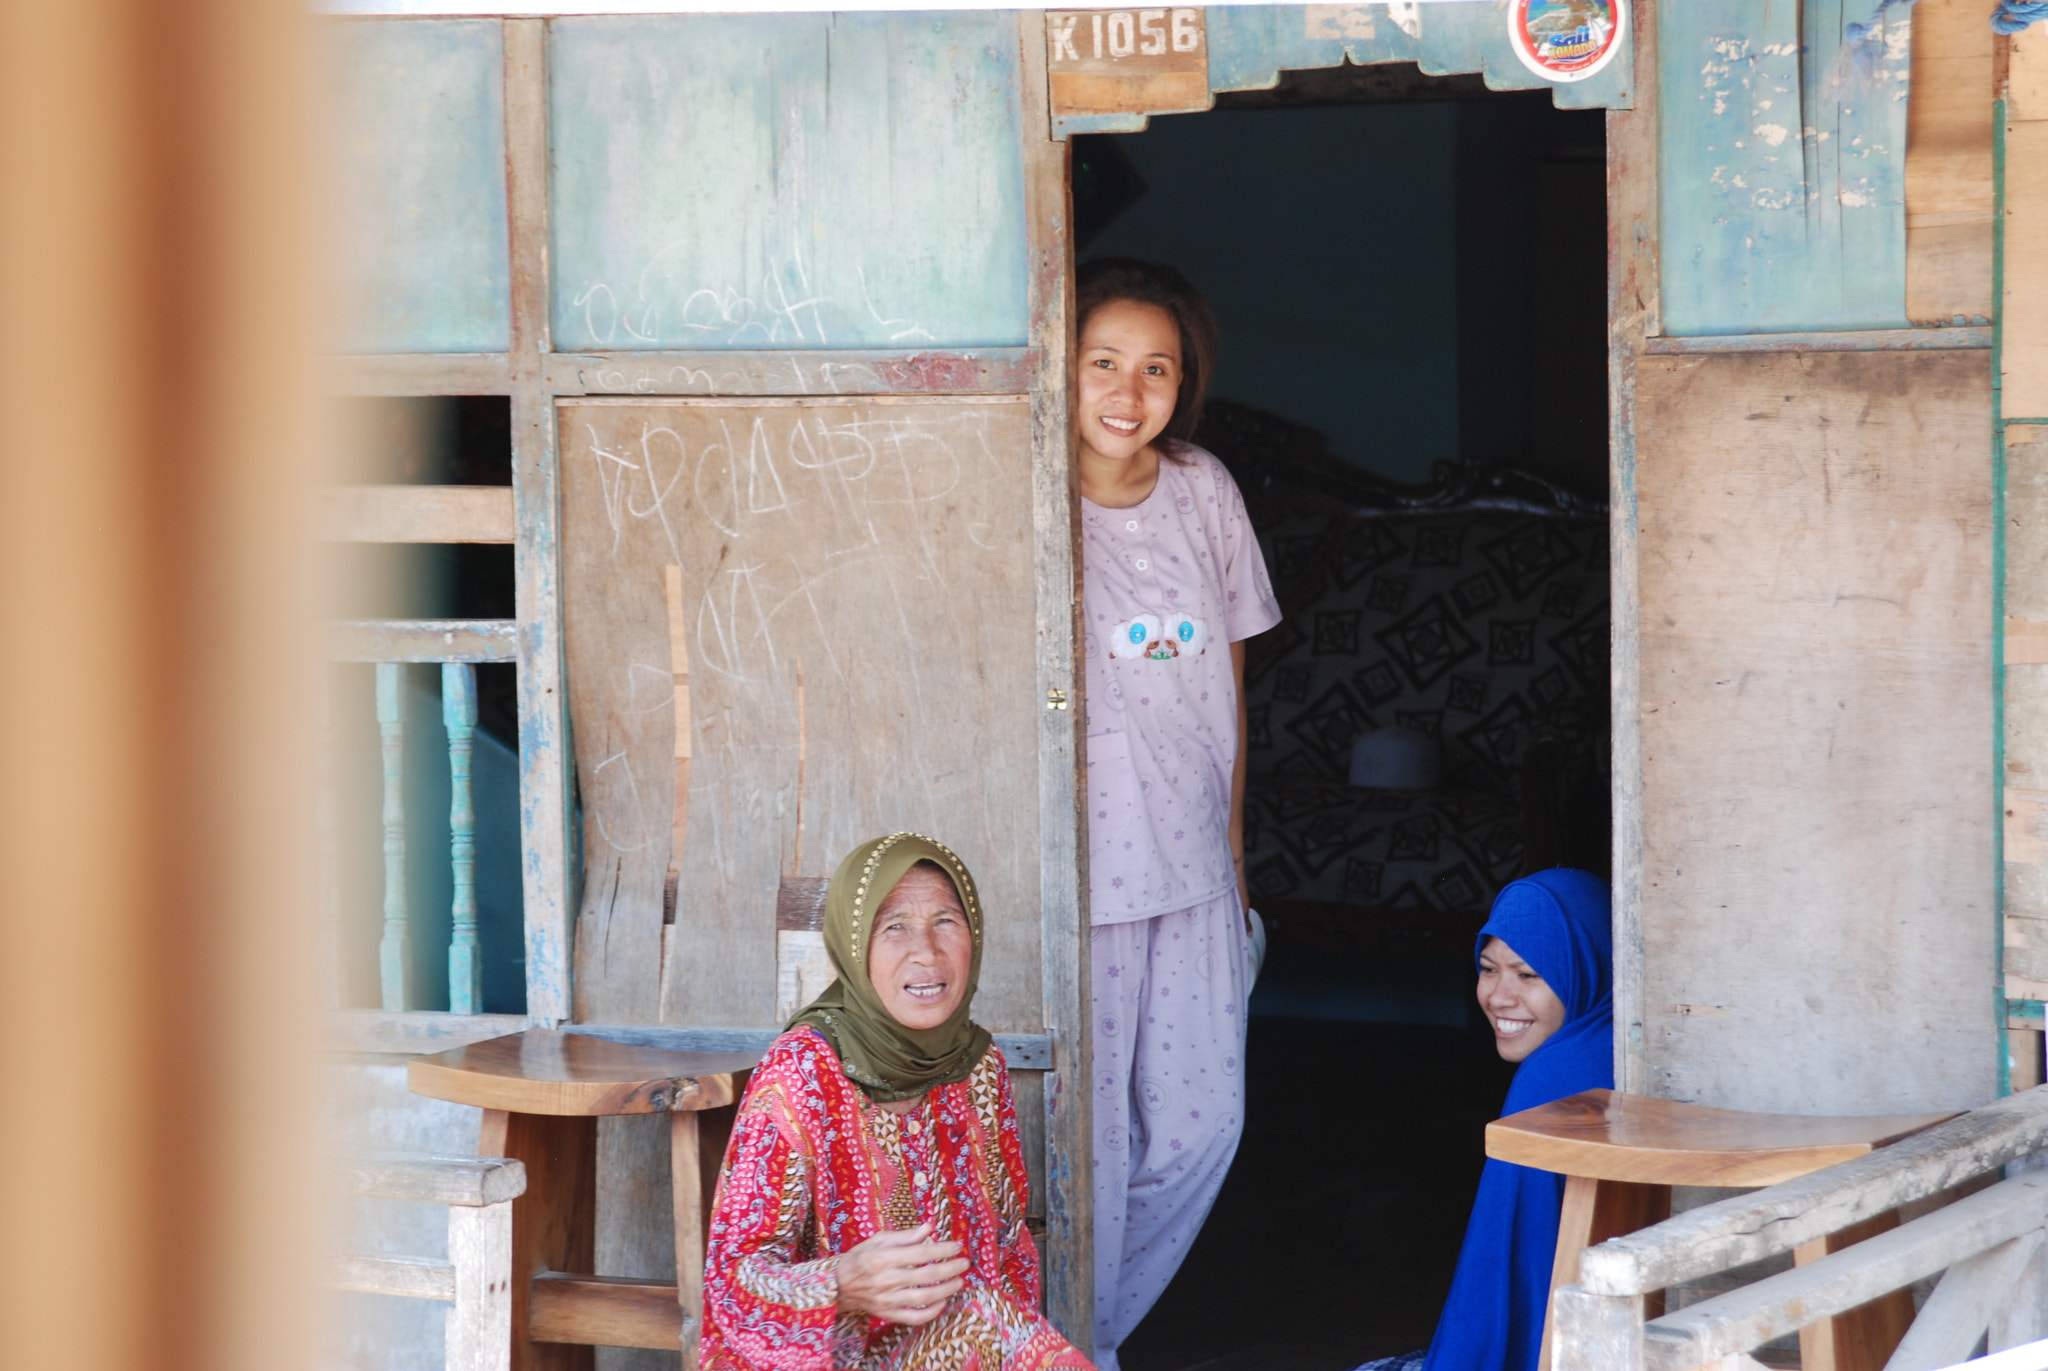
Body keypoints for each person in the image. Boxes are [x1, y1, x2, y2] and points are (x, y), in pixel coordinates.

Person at [1074, 257, 1282, 1370]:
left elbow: (1229, 691)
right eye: (1102, 361)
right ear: (1059, 370)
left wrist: (1237, 852)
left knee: (1201, 1130)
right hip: (1084, 880)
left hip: (1197, 867)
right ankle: (1082, 1348)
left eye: (1155, 368)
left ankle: (1090, 1333)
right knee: (1091, 1145)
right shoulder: (1028, 495)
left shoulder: (1203, 489)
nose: (1127, 389)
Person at [699, 832, 1096, 1371]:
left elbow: (1008, 1244)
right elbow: (733, 1280)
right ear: (854, 944)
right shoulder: (801, 1074)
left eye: (946, 922)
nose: (926, 952)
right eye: (894, 927)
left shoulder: (979, 1066)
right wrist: (839, 1283)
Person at [1356, 869, 1614, 1371]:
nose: (1498, 996)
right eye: (1488, 968)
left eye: (1528, 974)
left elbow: (1503, 1273)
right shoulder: (1610, 1046)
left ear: (1584, 965)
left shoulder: (1552, 1079)